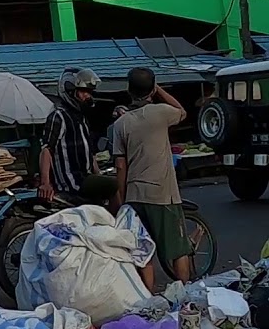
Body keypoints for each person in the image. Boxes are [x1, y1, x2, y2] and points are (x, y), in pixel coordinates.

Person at [112, 67, 191, 290]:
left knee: (142, 251)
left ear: (129, 90)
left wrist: (123, 198)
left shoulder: (121, 124)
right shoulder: (161, 112)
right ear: (152, 88)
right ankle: (184, 295)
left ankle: (147, 298)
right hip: (162, 193)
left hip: (135, 194)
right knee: (177, 249)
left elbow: (120, 165)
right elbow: (182, 111)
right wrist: (159, 91)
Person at [39, 67, 115, 203]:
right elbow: (46, 149)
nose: (88, 96)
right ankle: (117, 223)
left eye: (89, 92)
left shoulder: (81, 118)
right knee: (116, 184)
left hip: (86, 177)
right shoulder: (59, 116)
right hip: (73, 181)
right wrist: (45, 183)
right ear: (69, 91)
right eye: (83, 91)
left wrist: (98, 174)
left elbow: (90, 154)